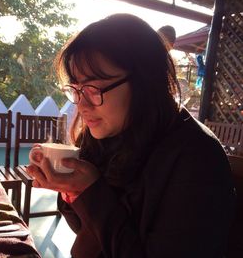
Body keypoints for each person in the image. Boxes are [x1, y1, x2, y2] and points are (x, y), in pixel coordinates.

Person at [26, 14, 235, 258]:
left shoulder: (196, 159)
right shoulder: (110, 134)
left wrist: (91, 193)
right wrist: (71, 188)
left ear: (144, 82)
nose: (81, 105)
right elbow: (83, 228)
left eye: (93, 88)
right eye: (76, 89)